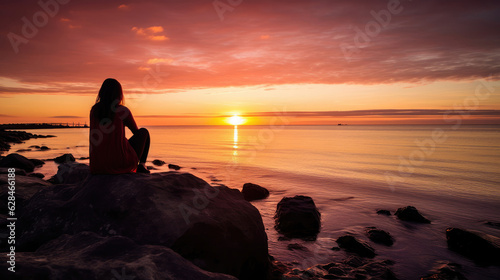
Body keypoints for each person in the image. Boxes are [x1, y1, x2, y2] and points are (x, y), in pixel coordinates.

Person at [89, 78, 150, 174]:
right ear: (119, 94)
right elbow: (136, 132)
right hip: (118, 164)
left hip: (97, 166)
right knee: (144, 132)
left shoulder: (94, 110)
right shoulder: (122, 111)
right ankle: (142, 165)